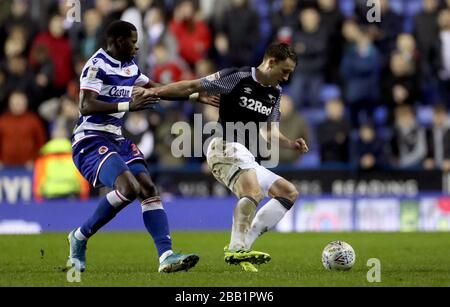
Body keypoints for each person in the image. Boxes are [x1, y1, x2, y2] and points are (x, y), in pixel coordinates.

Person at [148, 42, 309, 272]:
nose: (286, 78)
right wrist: (155, 91)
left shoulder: (275, 92)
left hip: (246, 156)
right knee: (253, 192)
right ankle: (236, 246)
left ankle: (242, 247)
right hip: (223, 146)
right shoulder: (237, 77)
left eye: (290, 73)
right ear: (271, 62)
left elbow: (270, 131)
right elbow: (193, 86)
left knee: (288, 193)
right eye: (284, 71)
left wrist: (290, 143)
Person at [68, 20, 213, 273]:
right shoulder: (96, 65)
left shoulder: (130, 66)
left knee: (147, 187)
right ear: (117, 41)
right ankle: (79, 237)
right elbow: (85, 105)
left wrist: (192, 94)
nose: (137, 47)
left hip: (116, 139)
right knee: (128, 187)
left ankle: (166, 255)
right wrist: (127, 105)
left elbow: (154, 89)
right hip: (90, 140)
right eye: (133, 42)